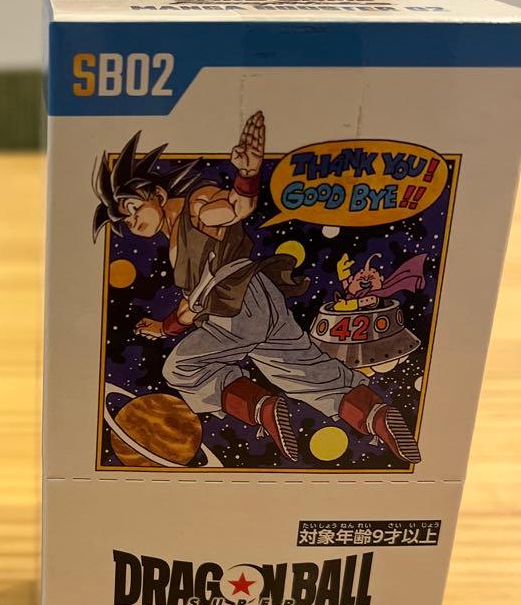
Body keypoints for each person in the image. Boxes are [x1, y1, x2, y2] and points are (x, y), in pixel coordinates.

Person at [92, 112, 420, 464]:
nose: (132, 221)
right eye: (125, 220)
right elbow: (191, 306)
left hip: (236, 305)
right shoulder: (177, 240)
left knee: (182, 368)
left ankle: (262, 408)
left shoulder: (195, 208)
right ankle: (377, 417)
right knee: (304, 371)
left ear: (156, 193)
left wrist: (247, 175)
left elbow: (235, 208)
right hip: (260, 298)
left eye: (132, 208)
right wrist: (163, 327)